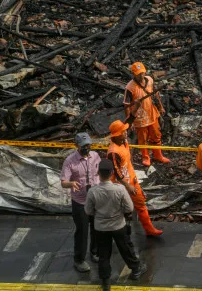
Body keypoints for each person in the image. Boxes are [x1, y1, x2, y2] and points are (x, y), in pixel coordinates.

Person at [85, 159, 147, 291]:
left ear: (98, 173)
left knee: (103, 254)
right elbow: (129, 207)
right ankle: (136, 269)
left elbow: (88, 211)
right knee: (126, 248)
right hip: (118, 225)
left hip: (101, 228)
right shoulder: (119, 189)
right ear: (112, 173)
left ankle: (105, 281)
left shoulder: (93, 191)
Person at [106, 119, 163, 236]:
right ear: (117, 135)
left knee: (141, 204)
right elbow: (116, 173)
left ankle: (149, 230)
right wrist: (128, 186)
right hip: (121, 185)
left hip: (132, 180)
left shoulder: (123, 141)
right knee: (119, 210)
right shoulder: (113, 152)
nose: (126, 132)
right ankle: (115, 233)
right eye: (123, 131)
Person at [61, 132, 101, 272]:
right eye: (83, 146)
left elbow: (99, 173)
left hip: (95, 200)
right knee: (82, 232)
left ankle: (95, 252)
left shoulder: (95, 156)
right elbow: (63, 182)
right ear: (76, 146)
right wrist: (71, 183)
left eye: (88, 145)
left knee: (96, 228)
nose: (86, 148)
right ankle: (79, 260)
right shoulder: (70, 161)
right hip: (80, 202)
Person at [124, 61, 170, 167]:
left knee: (156, 135)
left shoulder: (149, 80)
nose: (141, 75)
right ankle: (145, 157)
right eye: (138, 73)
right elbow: (126, 105)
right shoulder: (130, 88)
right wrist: (129, 120)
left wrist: (160, 106)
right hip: (139, 117)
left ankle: (158, 155)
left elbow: (155, 94)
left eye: (142, 73)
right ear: (133, 74)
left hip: (152, 113)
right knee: (143, 139)